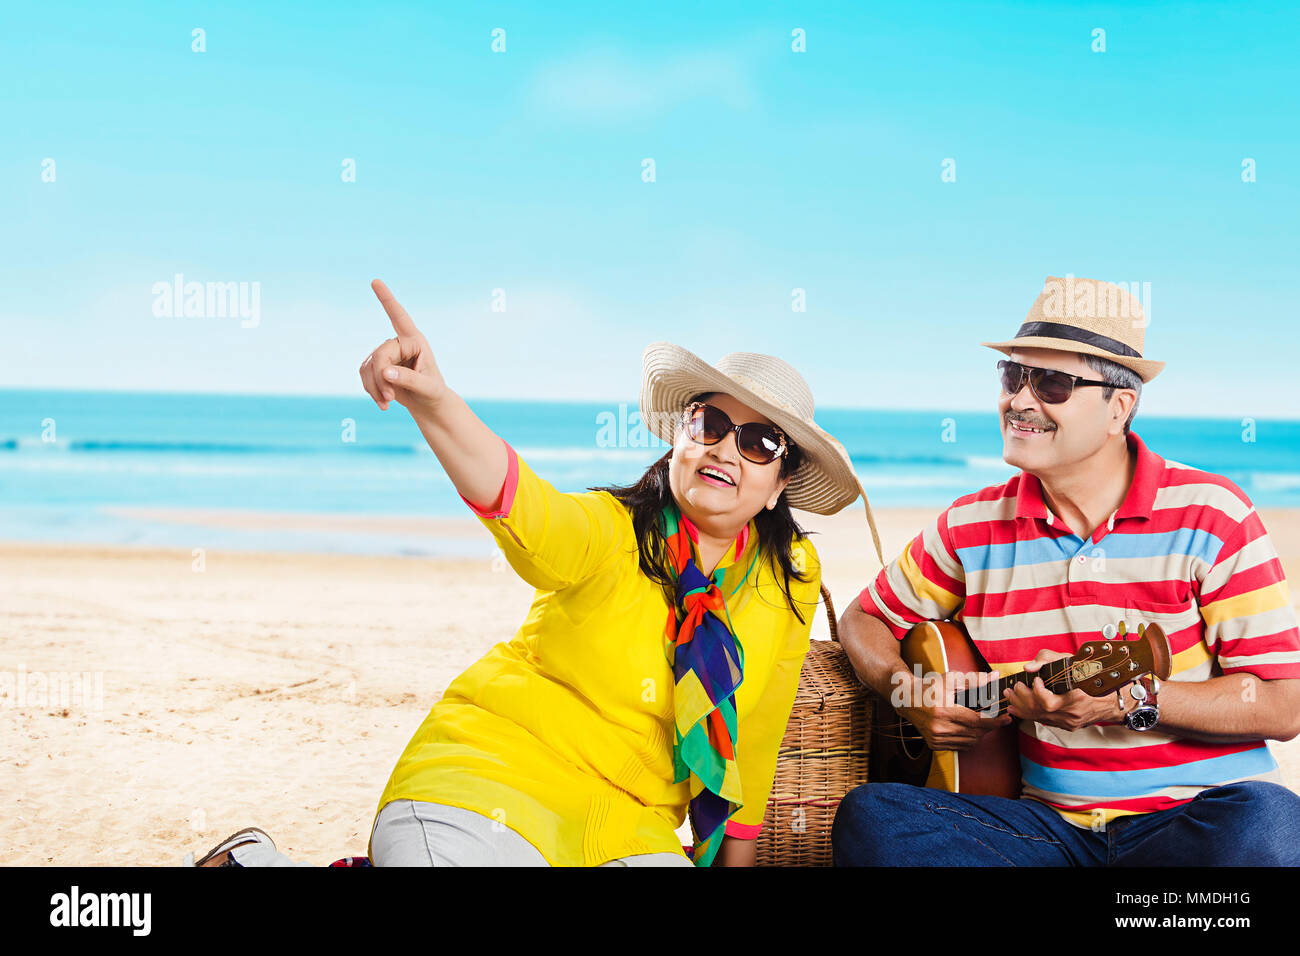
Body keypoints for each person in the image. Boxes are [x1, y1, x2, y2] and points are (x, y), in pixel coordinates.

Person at [188, 279, 884, 867]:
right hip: (490, 777)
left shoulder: (790, 576)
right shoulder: (610, 529)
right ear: (680, 436)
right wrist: (433, 401)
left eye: (759, 440)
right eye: (709, 422)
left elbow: (755, 737)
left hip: (626, 829)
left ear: (779, 482)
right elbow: (520, 502)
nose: (725, 448)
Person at [832, 274, 1300, 866]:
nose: (1020, 401)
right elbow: (863, 618)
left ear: (1119, 408)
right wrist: (908, 691)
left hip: (1193, 824)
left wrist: (1132, 701)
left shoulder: (1213, 516)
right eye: (1013, 377)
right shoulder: (969, 527)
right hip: (1046, 834)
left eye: (1052, 383)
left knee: (1270, 822)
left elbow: (1284, 704)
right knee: (876, 818)